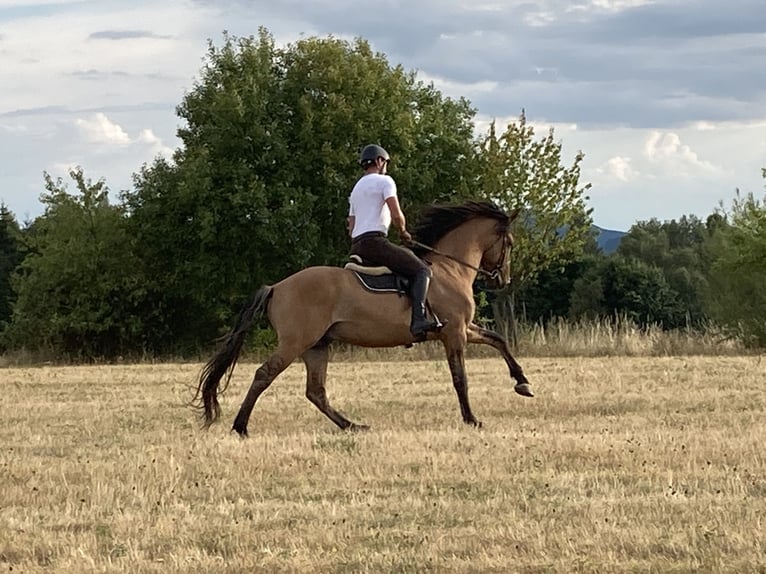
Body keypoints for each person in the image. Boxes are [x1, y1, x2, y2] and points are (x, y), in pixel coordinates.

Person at [347, 144, 442, 338]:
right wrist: (403, 232)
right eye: (386, 163)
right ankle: (419, 320)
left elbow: (351, 224)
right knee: (422, 270)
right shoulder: (385, 181)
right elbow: (396, 213)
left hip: (357, 244)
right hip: (375, 242)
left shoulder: (356, 189)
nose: (386, 167)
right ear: (380, 161)